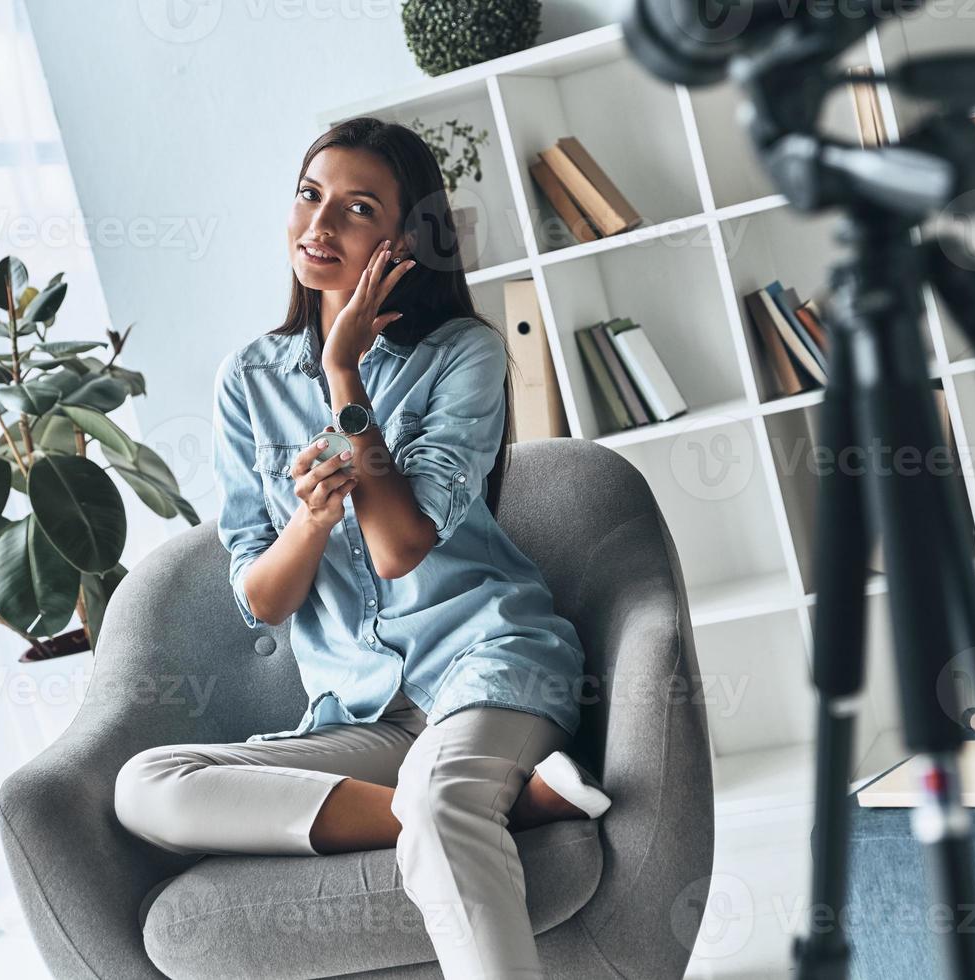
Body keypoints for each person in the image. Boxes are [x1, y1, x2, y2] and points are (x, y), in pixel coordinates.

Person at [114, 116, 611, 978]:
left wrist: (345, 378)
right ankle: (514, 810)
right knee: (146, 786)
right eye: (310, 196)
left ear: (403, 240)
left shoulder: (465, 354)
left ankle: (460, 806)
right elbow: (261, 599)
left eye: (354, 209)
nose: (318, 226)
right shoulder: (249, 379)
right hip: (361, 713)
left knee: (445, 800)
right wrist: (308, 523)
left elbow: (399, 548)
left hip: (487, 664)